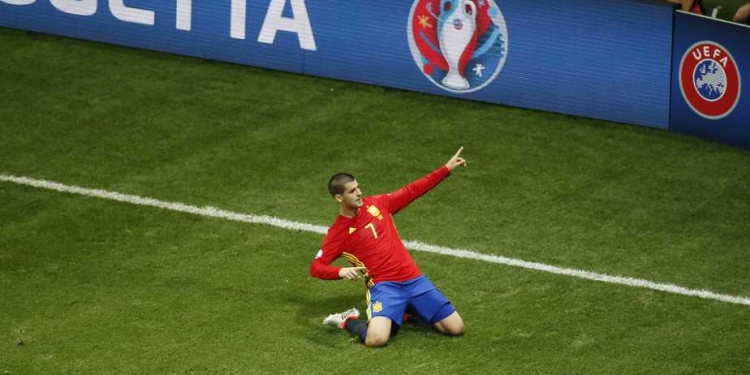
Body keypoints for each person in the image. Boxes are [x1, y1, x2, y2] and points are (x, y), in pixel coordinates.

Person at [310, 147, 468, 347]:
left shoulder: (377, 204)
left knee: (456, 329)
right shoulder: (338, 233)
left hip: (413, 278)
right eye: (352, 191)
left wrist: (445, 169)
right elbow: (316, 266)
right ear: (339, 198)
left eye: (358, 187)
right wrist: (340, 271)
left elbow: (411, 191)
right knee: (376, 339)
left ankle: (405, 313)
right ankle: (347, 319)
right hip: (385, 286)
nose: (359, 193)